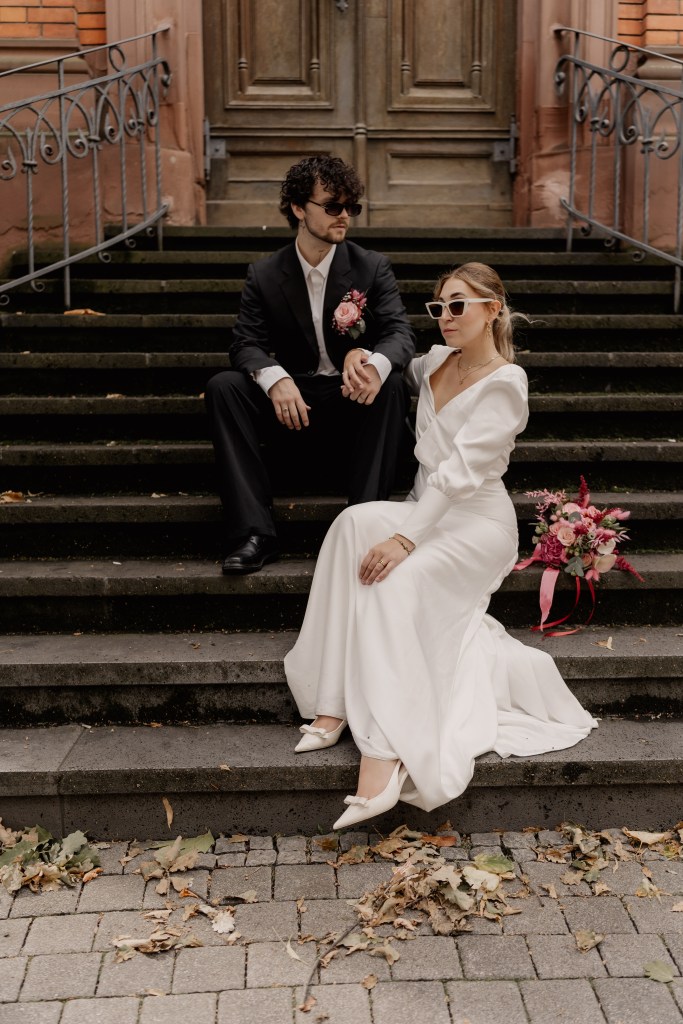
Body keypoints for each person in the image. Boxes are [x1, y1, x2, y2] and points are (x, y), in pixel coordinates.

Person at [283, 262, 597, 830]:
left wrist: (405, 539)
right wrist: (361, 355)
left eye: (458, 305)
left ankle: (383, 755)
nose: (445, 316)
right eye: (439, 307)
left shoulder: (506, 383)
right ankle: (333, 703)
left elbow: (458, 475)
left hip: (475, 523)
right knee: (351, 524)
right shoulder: (434, 361)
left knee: (393, 576)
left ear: (492, 310)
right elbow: (393, 363)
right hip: (425, 510)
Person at [205, 155, 416, 574]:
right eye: (332, 206)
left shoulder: (371, 266)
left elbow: (400, 333)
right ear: (299, 208)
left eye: (351, 207)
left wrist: (372, 363)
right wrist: (274, 378)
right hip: (293, 407)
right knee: (224, 386)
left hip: (350, 402)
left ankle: (365, 524)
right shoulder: (266, 274)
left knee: (391, 383)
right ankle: (254, 534)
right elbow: (245, 343)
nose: (344, 216)